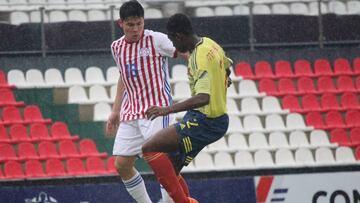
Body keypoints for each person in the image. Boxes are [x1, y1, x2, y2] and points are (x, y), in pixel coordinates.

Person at [106, 1, 195, 203]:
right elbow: (123, 75)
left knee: (162, 163)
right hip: (131, 113)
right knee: (122, 165)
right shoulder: (116, 47)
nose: (136, 29)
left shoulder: (156, 39)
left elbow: (184, 52)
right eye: (131, 25)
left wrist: (199, 66)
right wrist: (115, 110)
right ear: (121, 23)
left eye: (139, 23)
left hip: (157, 111)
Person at [142, 13, 232, 200]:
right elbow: (227, 67)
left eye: (173, 42)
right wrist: (223, 79)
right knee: (170, 167)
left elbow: (202, 98)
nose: (174, 48)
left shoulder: (199, 57)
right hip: (212, 120)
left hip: (205, 121)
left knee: (149, 148)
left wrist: (166, 109)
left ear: (179, 37)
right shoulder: (210, 44)